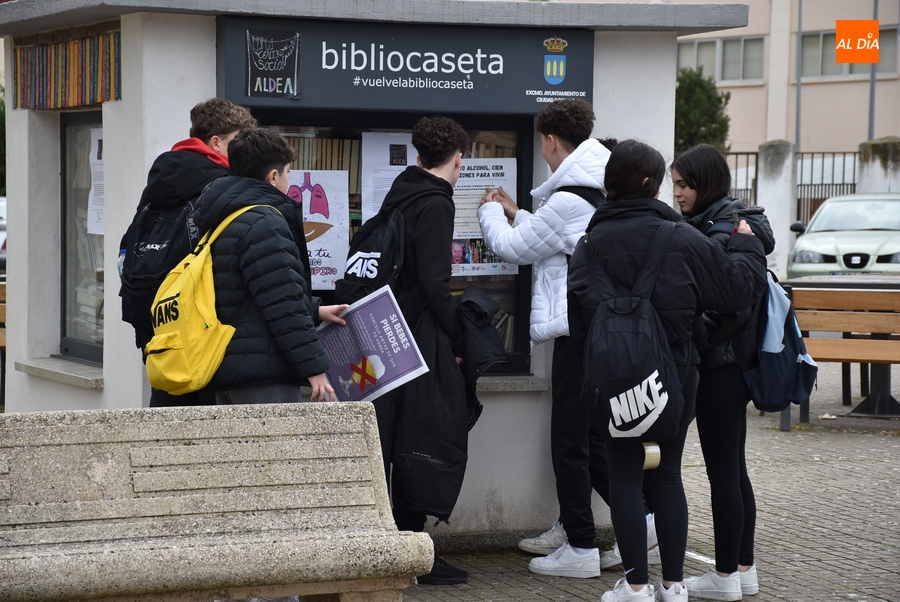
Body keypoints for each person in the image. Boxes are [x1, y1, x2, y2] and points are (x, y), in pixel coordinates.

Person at [567, 140, 767, 602]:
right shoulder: (679, 236)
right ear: (647, 184)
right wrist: (746, 246)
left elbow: (579, 324)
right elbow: (735, 291)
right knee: (667, 473)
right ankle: (674, 587)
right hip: (676, 372)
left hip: (612, 377)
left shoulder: (588, 244)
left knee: (624, 476)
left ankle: (636, 587)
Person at [479, 99, 655, 579]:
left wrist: (490, 213)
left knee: (570, 440)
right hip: (605, 332)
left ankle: (581, 544)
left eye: (541, 143)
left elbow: (517, 248)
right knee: (596, 437)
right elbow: (548, 237)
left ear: (550, 141)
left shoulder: (569, 197)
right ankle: (639, 518)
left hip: (577, 332)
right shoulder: (600, 185)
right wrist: (520, 213)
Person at [671, 144, 775, 600]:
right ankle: (744, 570)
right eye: (674, 183)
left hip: (721, 365)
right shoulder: (726, 221)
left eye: (683, 184)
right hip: (730, 364)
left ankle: (726, 576)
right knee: (733, 470)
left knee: (723, 474)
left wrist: (695, 337)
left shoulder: (725, 228)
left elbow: (730, 305)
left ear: (705, 183)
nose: (676, 193)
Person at [374, 116, 471, 586]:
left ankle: (402, 544)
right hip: (418, 338)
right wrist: (455, 338)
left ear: (417, 156)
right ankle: (413, 551)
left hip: (389, 334)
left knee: (398, 437)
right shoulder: (435, 202)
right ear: (457, 159)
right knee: (424, 435)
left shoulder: (400, 195)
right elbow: (436, 282)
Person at [191, 127, 347, 405]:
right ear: (273, 177)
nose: (289, 180)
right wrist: (314, 368)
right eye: (287, 172)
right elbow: (282, 303)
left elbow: (248, 294)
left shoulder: (223, 215)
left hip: (228, 368)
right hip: (264, 375)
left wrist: (315, 310)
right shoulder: (264, 221)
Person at [128, 98, 257, 408]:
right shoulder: (221, 185)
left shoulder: (162, 178)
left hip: (158, 326)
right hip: (201, 329)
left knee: (168, 426)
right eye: (236, 141)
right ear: (215, 141)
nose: (243, 151)